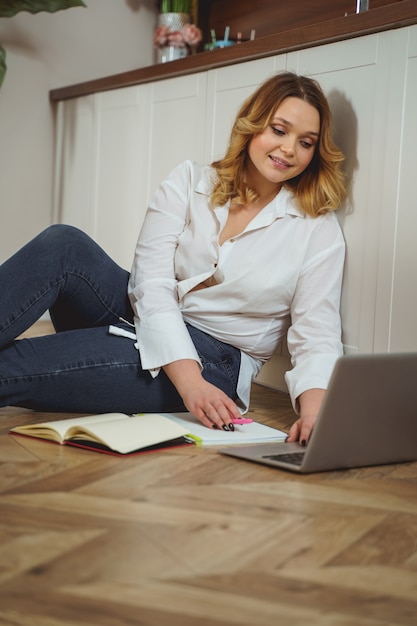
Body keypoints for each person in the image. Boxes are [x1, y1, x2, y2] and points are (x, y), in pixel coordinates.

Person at [0, 71, 346, 444]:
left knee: (14, 367)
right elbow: (150, 282)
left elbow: (317, 336)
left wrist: (313, 415)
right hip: (146, 316)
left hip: (215, 360)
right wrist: (186, 379)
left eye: (306, 142)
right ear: (253, 126)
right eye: (279, 130)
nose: (290, 150)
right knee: (63, 243)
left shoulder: (316, 228)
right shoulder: (189, 181)